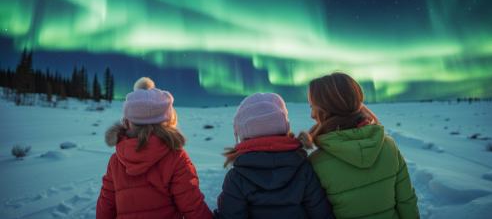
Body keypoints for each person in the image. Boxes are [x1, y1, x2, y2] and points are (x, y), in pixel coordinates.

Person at [299, 72, 419, 219]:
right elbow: (407, 202)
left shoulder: (316, 163)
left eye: (313, 107)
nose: (312, 115)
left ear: (325, 110)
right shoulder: (388, 146)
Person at [96, 77, 212, 219]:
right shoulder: (177, 158)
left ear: (127, 122)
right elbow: (193, 207)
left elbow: (105, 208)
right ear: (169, 120)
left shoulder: (116, 160)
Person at [214, 93, 334, 219]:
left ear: (242, 133)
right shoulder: (303, 169)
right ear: (284, 127)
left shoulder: (236, 177)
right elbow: (321, 213)